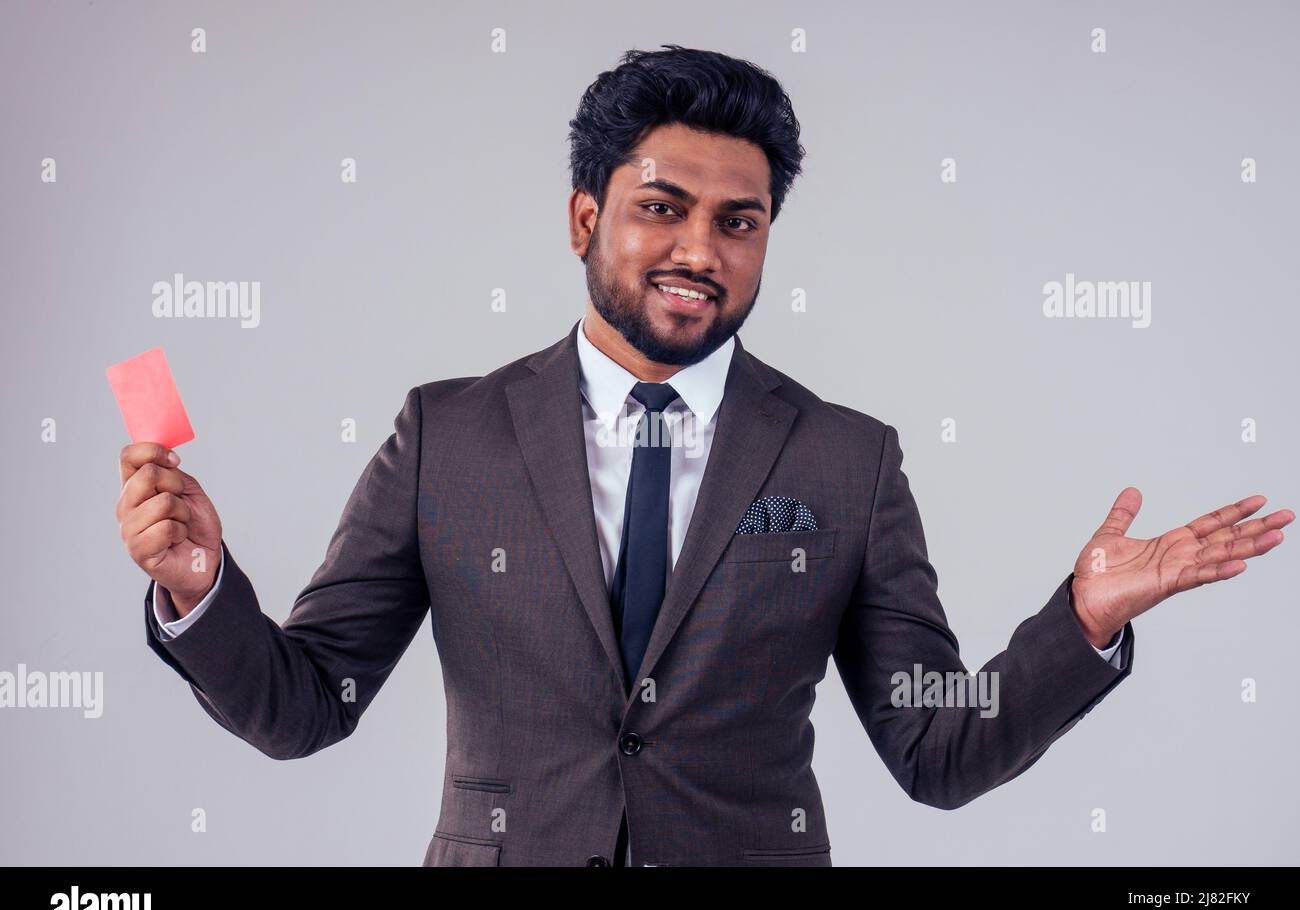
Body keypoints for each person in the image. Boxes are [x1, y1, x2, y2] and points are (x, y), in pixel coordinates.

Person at [116, 45, 1292, 866]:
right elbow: (311, 701)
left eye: (739, 220)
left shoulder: (847, 460)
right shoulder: (448, 434)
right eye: (660, 207)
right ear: (586, 219)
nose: (699, 249)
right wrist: (198, 592)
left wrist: (1078, 620)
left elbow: (936, 745)